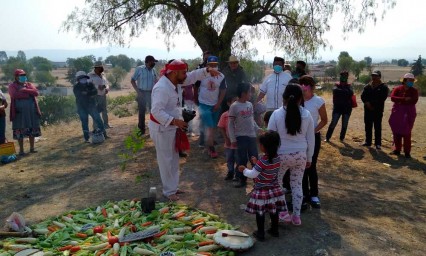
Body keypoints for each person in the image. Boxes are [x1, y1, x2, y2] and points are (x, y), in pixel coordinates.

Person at [149, 59, 220, 201]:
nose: (185, 75)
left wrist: (206, 70)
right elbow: (156, 111)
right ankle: (168, 192)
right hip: (161, 129)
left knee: (174, 158)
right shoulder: (162, 88)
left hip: (172, 127)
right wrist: (175, 121)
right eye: (183, 72)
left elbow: (192, 76)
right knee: (166, 160)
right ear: (174, 72)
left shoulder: (176, 82)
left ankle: (173, 188)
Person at [268, 84, 315, 225]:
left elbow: (270, 137)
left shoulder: (276, 114)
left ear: (284, 98)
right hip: (300, 155)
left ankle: (282, 212)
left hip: (281, 156)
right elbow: (311, 139)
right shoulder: (307, 115)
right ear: (301, 99)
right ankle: (296, 216)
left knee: (277, 184)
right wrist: (309, 157)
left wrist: (269, 156)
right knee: (297, 185)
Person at [238, 131, 287, 241]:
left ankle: (261, 233)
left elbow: (253, 174)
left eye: (260, 144)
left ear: (265, 146)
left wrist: (244, 170)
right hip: (274, 189)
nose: (259, 146)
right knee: (274, 211)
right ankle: (275, 230)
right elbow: (265, 169)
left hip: (262, 190)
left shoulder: (263, 161)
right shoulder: (277, 158)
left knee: (260, 213)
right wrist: (256, 162)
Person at [300, 75, 328, 209]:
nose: (303, 89)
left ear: (311, 87)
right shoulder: (298, 101)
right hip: (299, 138)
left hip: (313, 137)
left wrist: (313, 131)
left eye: (305, 86)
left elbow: (324, 120)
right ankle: (304, 193)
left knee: (311, 165)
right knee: (301, 166)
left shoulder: (318, 101)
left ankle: (314, 194)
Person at [228, 83, 260, 188]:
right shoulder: (234, 106)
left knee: (254, 158)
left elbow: (252, 120)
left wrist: (258, 129)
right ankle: (242, 180)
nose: (251, 94)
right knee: (241, 159)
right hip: (240, 137)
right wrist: (232, 139)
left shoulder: (249, 105)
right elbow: (230, 124)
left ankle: (258, 181)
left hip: (251, 136)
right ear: (243, 93)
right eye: (249, 92)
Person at [197, 56, 227, 158]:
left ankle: (209, 144)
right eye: (211, 65)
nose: (214, 67)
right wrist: (195, 99)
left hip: (215, 105)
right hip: (204, 104)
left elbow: (223, 90)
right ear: (207, 65)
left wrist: (218, 104)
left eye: (215, 65)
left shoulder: (221, 76)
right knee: (209, 126)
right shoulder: (202, 74)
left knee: (213, 127)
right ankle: (211, 149)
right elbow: (195, 86)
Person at [8, 69, 42, 156]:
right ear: (16, 77)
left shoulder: (29, 84)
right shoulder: (12, 86)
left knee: (32, 128)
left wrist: (24, 90)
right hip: (19, 112)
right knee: (20, 129)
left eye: (24, 75)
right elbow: (14, 95)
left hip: (31, 111)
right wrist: (28, 94)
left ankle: (32, 148)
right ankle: (21, 150)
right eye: (21, 75)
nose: (23, 77)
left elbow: (36, 92)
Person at [388, 73, 419, 159]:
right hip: (397, 113)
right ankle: (397, 149)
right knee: (396, 131)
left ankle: (407, 152)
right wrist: (404, 99)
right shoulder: (398, 89)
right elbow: (392, 97)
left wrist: (400, 101)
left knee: (407, 132)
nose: (411, 82)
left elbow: (414, 101)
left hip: (409, 113)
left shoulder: (414, 91)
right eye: (410, 80)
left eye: (412, 81)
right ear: (405, 81)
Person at [73, 71, 107, 143]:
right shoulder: (76, 87)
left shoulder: (90, 84)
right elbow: (80, 95)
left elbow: (94, 91)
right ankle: (86, 138)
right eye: (82, 78)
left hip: (92, 106)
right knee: (85, 123)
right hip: (81, 107)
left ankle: (104, 135)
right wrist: (89, 93)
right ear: (78, 79)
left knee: (98, 120)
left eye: (84, 78)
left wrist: (87, 93)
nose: (84, 79)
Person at [361, 70, 389, 150]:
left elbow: (382, 98)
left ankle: (378, 144)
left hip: (378, 110)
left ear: (379, 77)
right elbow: (363, 96)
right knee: (368, 126)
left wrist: (372, 104)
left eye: (376, 76)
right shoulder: (367, 86)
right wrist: (367, 103)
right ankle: (368, 142)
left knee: (377, 126)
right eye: (373, 75)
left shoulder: (383, 87)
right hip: (367, 110)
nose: (374, 77)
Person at [131, 55, 158, 136]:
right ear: (148, 62)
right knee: (142, 112)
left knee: (153, 111)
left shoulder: (154, 70)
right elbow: (132, 80)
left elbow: (156, 81)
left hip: (151, 93)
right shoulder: (140, 69)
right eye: (153, 61)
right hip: (141, 92)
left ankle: (153, 129)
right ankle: (141, 130)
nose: (154, 63)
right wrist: (138, 92)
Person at [325, 70, 353, 142]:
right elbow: (335, 91)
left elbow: (350, 93)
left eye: (345, 76)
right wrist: (344, 91)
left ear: (347, 77)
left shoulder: (349, 86)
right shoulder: (336, 85)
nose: (343, 77)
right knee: (333, 122)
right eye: (342, 76)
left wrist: (342, 91)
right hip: (337, 108)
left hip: (347, 108)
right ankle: (328, 137)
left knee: (344, 124)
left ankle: (342, 138)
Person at [217, 96, 238, 181]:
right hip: (229, 142)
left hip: (238, 142)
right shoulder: (225, 115)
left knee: (238, 158)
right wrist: (226, 138)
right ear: (228, 103)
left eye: (237, 101)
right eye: (234, 101)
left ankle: (238, 174)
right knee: (229, 158)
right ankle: (230, 172)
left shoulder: (240, 114)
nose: (236, 104)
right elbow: (221, 127)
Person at [194, 50, 212, 147]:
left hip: (213, 99)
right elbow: (196, 86)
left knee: (212, 119)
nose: (207, 57)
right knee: (202, 118)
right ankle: (202, 140)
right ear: (203, 56)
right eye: (205, 55)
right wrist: (195, 97)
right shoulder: (199, 68)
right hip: (202, 99)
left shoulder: (216, 68)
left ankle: (211, 139)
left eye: (209, 56)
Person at [88, 61, 111, 129]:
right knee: (96, 111)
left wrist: (107, 88)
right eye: (99, 67)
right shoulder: (89, 75)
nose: (101, 68)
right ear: (95, 68)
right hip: (95, 95)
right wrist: (98, 86)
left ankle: (106, 124)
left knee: (104, 110)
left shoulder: (103, 74)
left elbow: (106, 83)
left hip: (103, 95)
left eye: (101, 67)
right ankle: (95, 127)